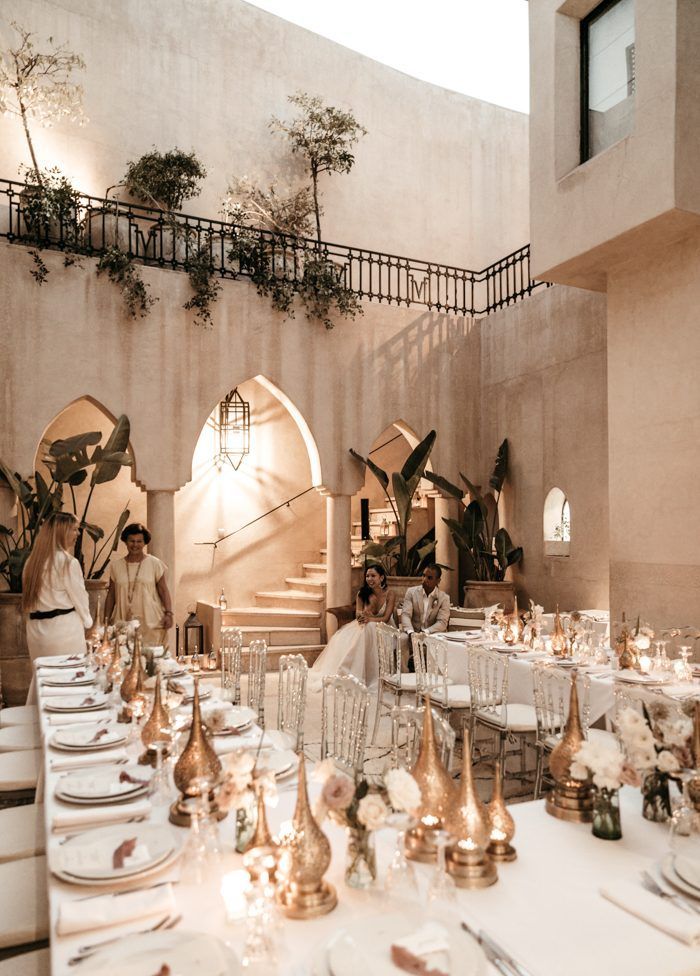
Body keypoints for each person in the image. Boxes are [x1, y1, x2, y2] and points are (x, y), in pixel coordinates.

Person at [22, 511, 93, 702]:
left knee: (43, 679)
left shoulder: (31, 563)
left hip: (36, 631)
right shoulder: (68, 562)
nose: (77, 534)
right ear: (62, 531)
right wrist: (88, 623)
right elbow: (80, 598)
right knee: (67, 680)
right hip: (64, 631)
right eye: (74, 529)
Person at [310, 564, 396, 689]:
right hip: (366, 626)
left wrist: (369, 619)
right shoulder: (362, 593)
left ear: (381, 578)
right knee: (360, 630)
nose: (369, 579)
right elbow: (358, 615)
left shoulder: (390, 594)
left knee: (369, 627)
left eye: (373, 576)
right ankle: (348, 671)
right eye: (367, 576)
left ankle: (366, 674)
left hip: (385, 628)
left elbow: (386, 618)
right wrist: (364, 613)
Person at [104, 522, 174, 648]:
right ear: (125, 541)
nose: (135, 545)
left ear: (145, 542)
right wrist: (105, 620)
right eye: (131, 541)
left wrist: (169, 613)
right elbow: (111, 594)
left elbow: (163, 590)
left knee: (151, 661)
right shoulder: (116, 566)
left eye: (139, 541)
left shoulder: (154, 563)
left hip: (151, 622)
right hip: (123, 622)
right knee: (124, 660)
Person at [400, 564, 451, 669]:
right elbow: (405, 614)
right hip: (413, 631)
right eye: (423, 576)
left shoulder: (444, 598)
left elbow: (442, 622)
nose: (424, 579)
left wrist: (426, 632)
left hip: (431, 633)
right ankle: (404, 675)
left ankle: (432, 676)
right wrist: (410, 632)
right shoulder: (411, 592)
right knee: (402, 639)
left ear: (438, 581)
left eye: (429, 578)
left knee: (437, 641)